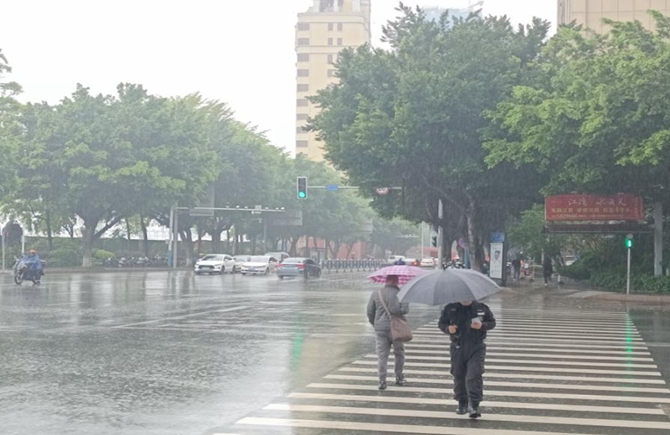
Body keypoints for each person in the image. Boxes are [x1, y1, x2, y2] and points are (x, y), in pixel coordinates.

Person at [438, 300, 496, 419]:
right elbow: (441, 324)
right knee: (458, 374)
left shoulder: (481, 308)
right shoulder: (450, 308)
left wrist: (482, 326)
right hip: (458, 346)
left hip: (476, 346)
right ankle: (462, 402)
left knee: (474, 374)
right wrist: (448, 329)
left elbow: (492, 322)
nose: (465, 298)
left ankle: (474, 404)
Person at [367, 275, 410, 390]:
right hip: (397, 328)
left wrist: (375, 323)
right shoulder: (401, 293)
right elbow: (404, 310)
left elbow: (370, 312)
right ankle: (399, 377)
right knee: (399, 353)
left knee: (382, 355)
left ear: (386, 280)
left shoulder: (377, 293)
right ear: (396, 281)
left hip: (380, 328)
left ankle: (382, 381)